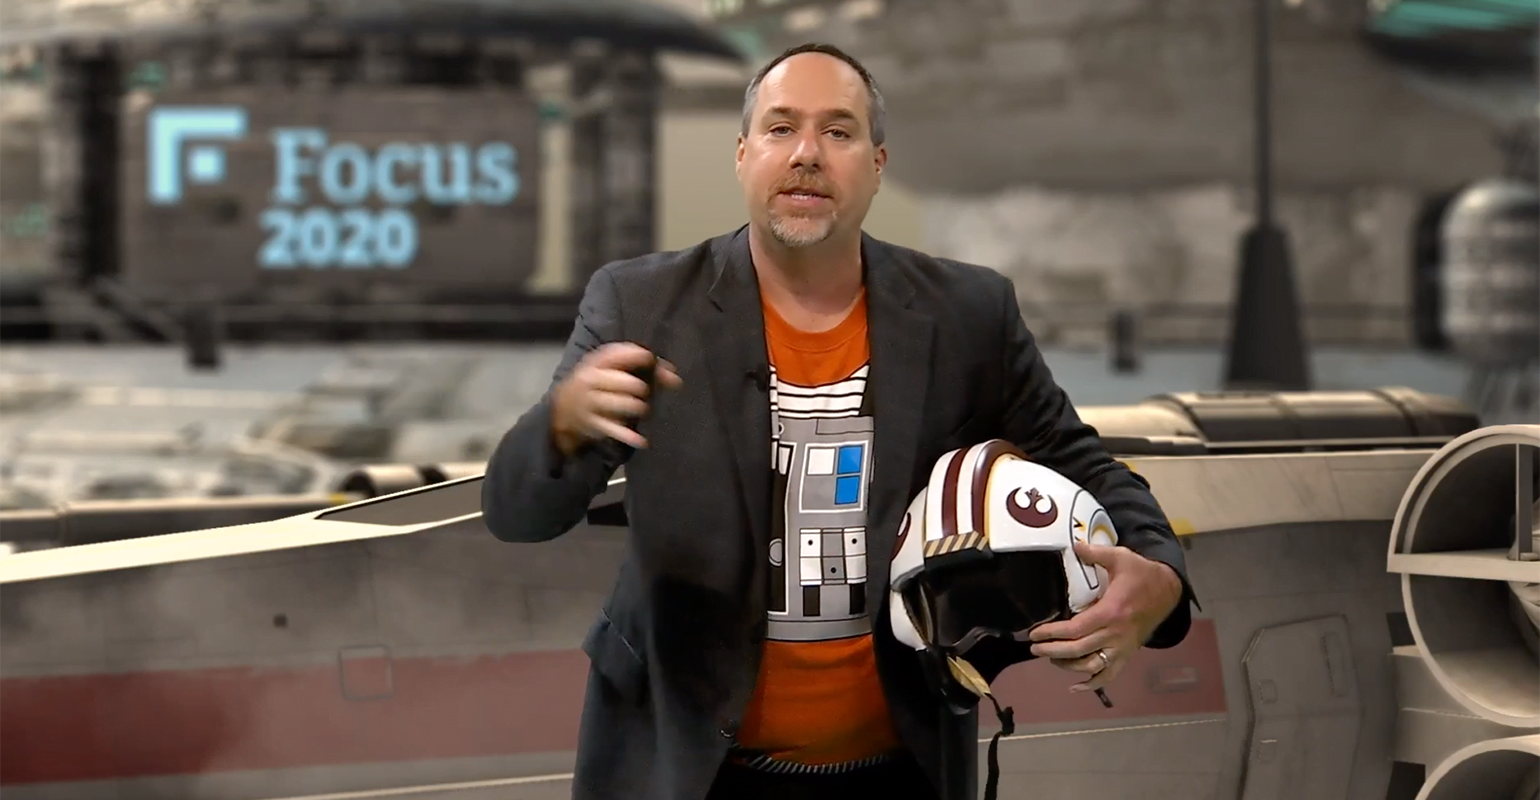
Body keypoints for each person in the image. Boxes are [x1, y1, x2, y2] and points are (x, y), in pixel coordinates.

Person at [481, 42, 1197, 800]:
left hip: (903, 766)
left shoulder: (968, 315)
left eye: (838, 131)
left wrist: (1160, 577)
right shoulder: (640, 304)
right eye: (781, 128)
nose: (807, 154)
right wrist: (559, 428)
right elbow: (518, 516)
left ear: (878, 164)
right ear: (742, 154)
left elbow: (1082, 465)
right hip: (684, 769)